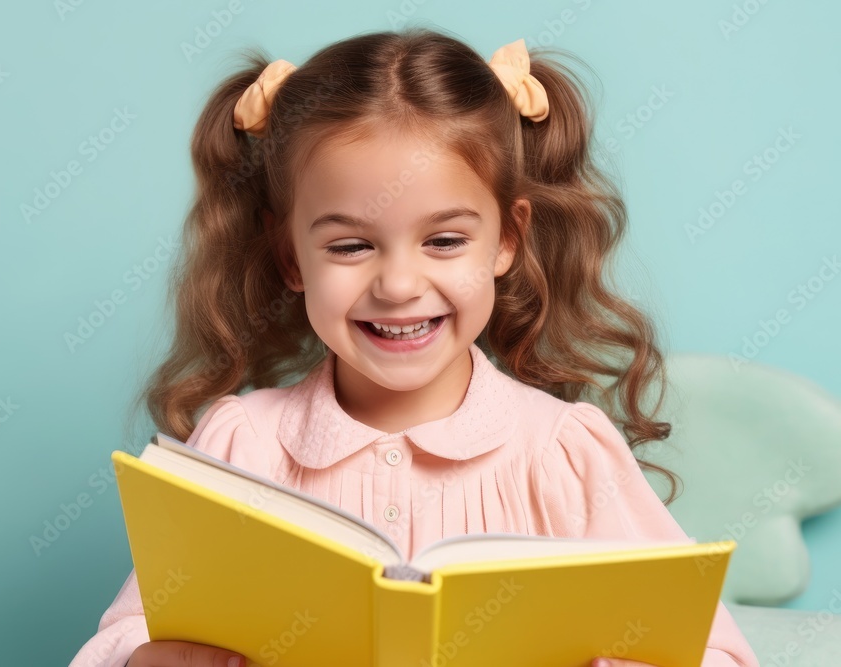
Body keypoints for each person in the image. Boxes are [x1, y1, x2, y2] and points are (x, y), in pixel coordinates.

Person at [69, 28, 760, 667]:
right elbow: (119, 639)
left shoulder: (564, 455)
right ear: (290, 257)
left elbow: (716, 651)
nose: (399, 284)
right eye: (349, 245)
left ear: (506, 240)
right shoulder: (241, 447)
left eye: (445, 240)